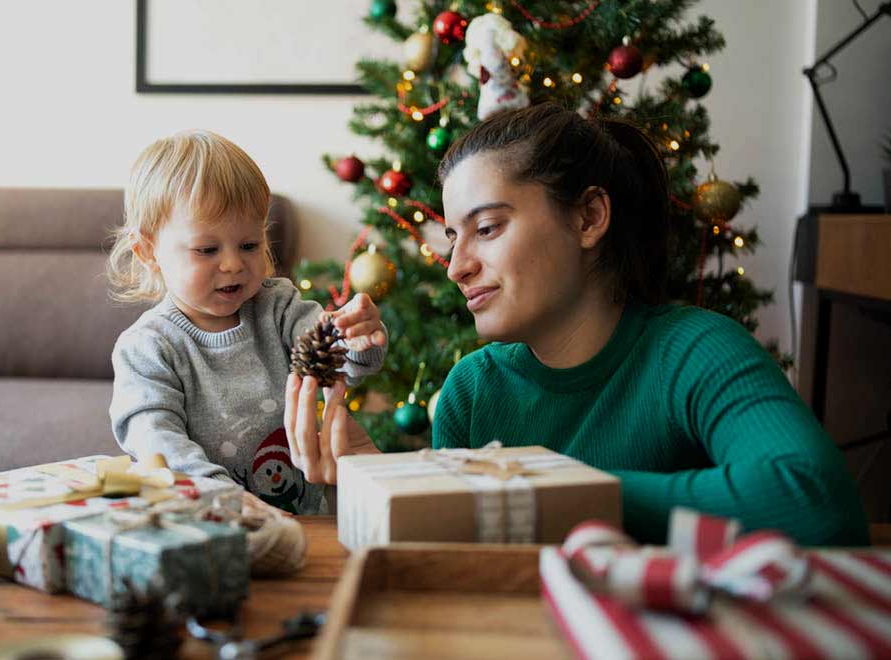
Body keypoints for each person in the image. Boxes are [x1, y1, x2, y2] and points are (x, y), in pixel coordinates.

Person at [286, 103, 868, 546]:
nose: (458, 267)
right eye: (453, 239)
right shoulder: (473, 391)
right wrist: (382, 483)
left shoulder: (697, 351)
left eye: (487, 228)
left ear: (589, 217)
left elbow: (815, 502)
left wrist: (534, 490)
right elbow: (467, 571)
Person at [107, 129, 388, 515]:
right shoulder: (148, 347)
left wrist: (358, 337)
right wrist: (230, 503)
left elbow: (344, 365)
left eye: (249, 245)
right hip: (210, 525)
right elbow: (155, 440)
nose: (233, 264)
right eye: (207, 249)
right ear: (148, 251)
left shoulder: (279, 308)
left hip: (305, 523)